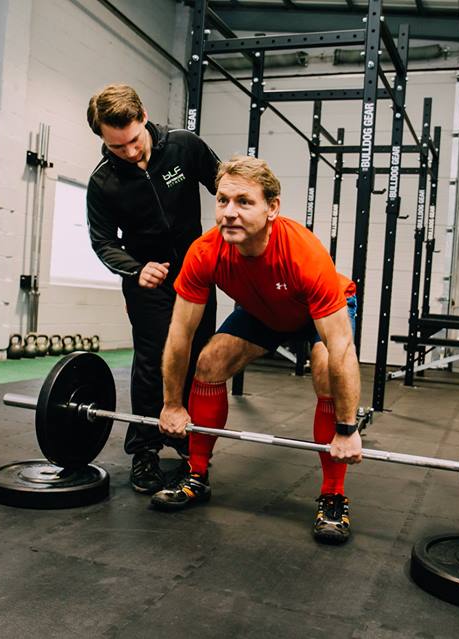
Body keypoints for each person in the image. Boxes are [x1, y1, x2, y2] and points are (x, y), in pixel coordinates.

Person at [154, 155, 362, 544]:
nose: (229, 213)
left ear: (272, 208)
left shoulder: (304, 253)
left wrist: (348, 429)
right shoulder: (205, 251)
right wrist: (171, 404)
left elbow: (341, 347)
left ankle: (334, 496)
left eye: (244, 202)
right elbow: (180, 333)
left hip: (316, 311)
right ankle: (197, 473)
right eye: (222, 200)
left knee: (324, 369)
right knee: (210, 360)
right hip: (264, 309)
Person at [86, 84, 218, 494]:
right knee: (153, 356)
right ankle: (144, 448)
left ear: (143, 116)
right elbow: (103, 241)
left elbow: (225, 182)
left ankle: (185, 441)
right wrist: (134, 269)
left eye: (132, 142)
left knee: (199, 354)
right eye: (115, 146)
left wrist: (234, 229)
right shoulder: (104, 181)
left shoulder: (184, 147)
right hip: (148, 276)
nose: (128, 152)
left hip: (195, 271)